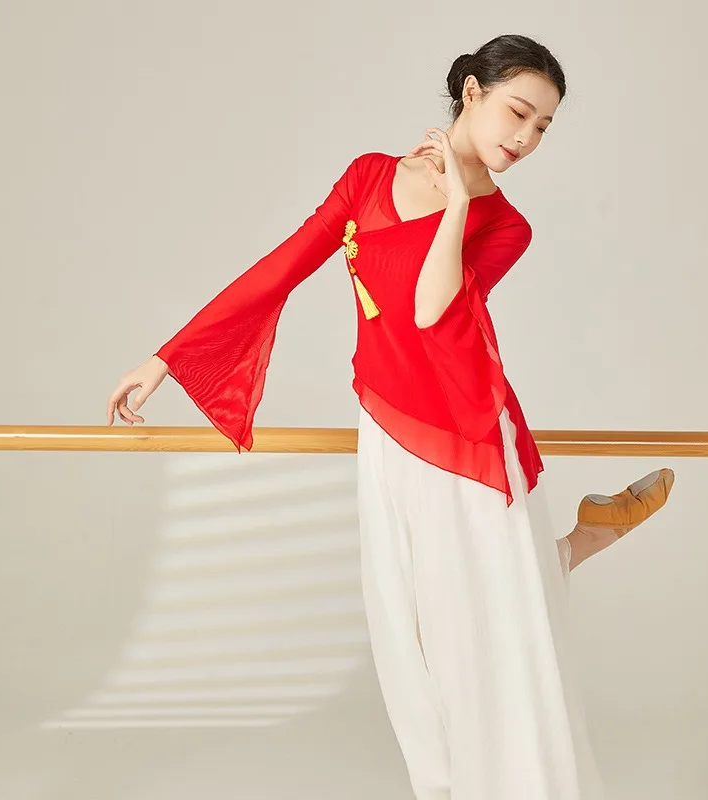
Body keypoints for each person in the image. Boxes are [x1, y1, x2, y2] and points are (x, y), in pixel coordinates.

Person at [106, 33, 674, 800]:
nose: (527, 138)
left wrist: (459, 204)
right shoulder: (369, 178)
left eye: (543, 127)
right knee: (412, 631)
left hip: (470, 431)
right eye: (518, 112)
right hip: (389, 421)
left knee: (489, 631)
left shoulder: (505, 226)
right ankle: (574, 548)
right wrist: (167, 358)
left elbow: (429, 309)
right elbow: (282, 266)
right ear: (471, 93)